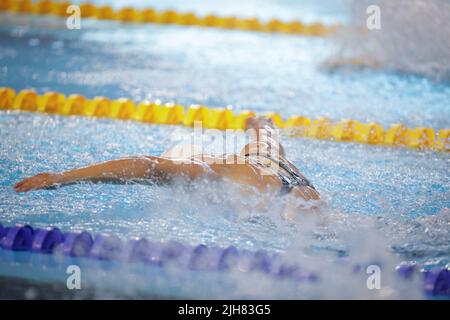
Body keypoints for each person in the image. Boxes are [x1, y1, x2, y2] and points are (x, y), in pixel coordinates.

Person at [14, 116, 320, 218]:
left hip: (277, 180)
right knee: (263, 136)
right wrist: (62, 177)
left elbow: (148, 167)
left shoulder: (225, 174)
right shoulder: (248, 165)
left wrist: (62, 177)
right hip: (281, 178)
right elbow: (147, 167)